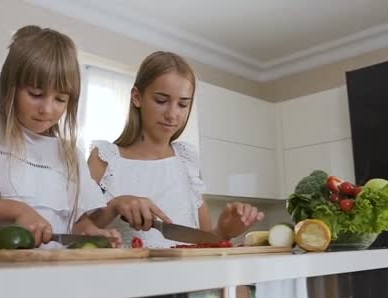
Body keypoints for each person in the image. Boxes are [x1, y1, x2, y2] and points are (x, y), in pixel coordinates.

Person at [0, 25, 120, 249]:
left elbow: (77, 223)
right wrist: (18, 210)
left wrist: (93, 233)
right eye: (35, 94)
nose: (47, 109)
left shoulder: (70, 155)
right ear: (10, 86)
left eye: (60, 99)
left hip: (40, 277)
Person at [88, 51, 264, 247]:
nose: (172, 114)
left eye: (182, 104)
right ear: (137, 97)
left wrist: (224, 231)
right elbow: (74, 235)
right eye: (161, 101)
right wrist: (113, 206)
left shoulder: (186, 159)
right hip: (124, 277)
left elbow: (204, 242)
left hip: (189, 277)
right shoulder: (105, 157)